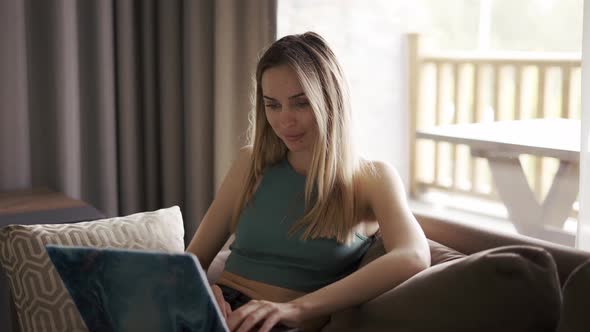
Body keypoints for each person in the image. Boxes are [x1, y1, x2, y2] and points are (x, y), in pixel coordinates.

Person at [186, 31, 431, 332]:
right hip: (213, 311)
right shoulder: (251, 163)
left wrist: (298, 309)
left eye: (300, 103)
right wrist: (200, 290)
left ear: (330, 101)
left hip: (279, 323)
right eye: (272, 105)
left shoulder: (372, 179)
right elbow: (192, 261)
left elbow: (414, 255)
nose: (284, 120)